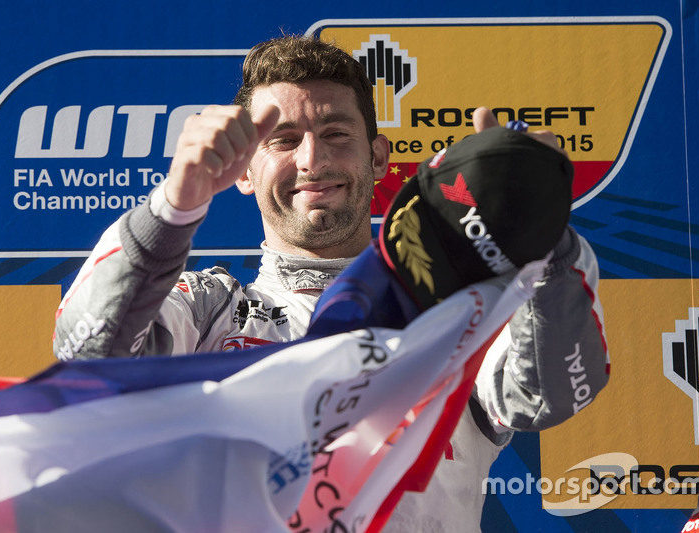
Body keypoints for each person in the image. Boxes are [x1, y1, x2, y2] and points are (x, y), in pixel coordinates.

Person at [54, 35, 609, 531]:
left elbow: (548, 396)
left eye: (336, 132)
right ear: (245, 171)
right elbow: (87, 355)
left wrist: (542, 237)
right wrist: (173, 206)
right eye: (284, 139)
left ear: (379, 156)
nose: (312, 160)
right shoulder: (208, 309)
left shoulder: (456, 311)